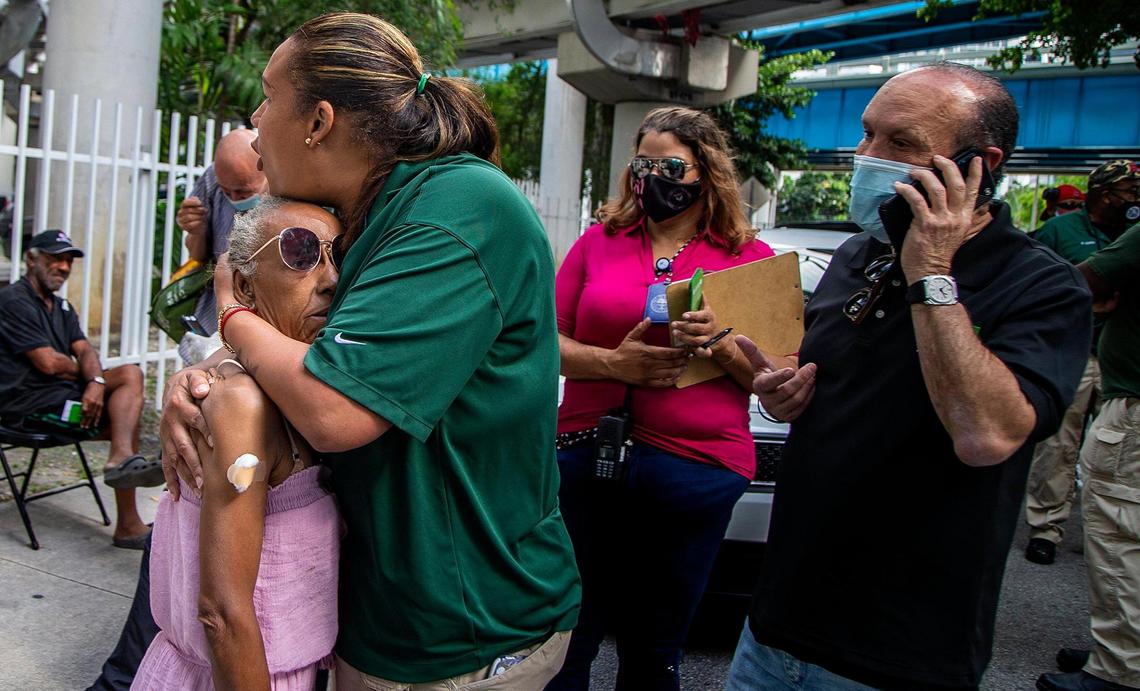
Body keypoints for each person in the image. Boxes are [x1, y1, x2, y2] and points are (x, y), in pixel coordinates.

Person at [160, 12, 580, 689]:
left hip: (462, 636)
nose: (257, 120)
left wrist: (232, 313)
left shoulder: (455, 208)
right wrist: (202, 377)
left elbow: (334, 406)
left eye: (268, 96)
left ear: (318, 121)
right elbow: (301, 344)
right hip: (378, 618)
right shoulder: (365, 214)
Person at [725, 62, 1092, 690]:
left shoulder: (1042, 286)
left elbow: (986, 436)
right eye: (868, 135)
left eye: (901, 144)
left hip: (896, 655)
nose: (868, 158)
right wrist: (785, 393)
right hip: (773, 628)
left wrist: (931, 268)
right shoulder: (858, 253)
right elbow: (840, 386)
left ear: (980, 164)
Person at [546, 106, 776, 689]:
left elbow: (775, 382)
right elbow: (539, 342)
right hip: (585, 458)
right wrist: (611, 364)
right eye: (643, 162)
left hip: (695, 470)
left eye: (672, 164)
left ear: (706, 173)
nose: (653, 177)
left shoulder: (747, 259)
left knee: (655, 646)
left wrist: (722, 347)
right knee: (566, 634)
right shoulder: (598, 243)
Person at [132, 198, 341, 690]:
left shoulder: (300, 386)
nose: (331, 277)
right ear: (244, 285)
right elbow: (222, 615)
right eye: (301, 252)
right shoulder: (241, 402)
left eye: (339, 254)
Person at [0, 230, 162, 549]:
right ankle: (126, 504)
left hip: (62, 400)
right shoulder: (13, 301)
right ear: (31, 259)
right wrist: (91, 381)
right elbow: (48, 363)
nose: (63, 267)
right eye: (54, 259)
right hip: (27, 410)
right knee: (123, 411)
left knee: (128, 383)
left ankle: (121, 463)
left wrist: (96, 381)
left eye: (67, 261)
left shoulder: (61, 307)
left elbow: (85, 350)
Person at [1037, 218, 1140, 691]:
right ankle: (1121, 649)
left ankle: (1121, 670)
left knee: (1122, 536)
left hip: (1134, 408)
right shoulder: (1065, 227)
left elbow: (1082, 282)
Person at [1023, 161, 1140, 565]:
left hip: (1116, 355)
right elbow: (1035, 282)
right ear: (1102, 194)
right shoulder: (1061, 231)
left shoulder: (1130, 235)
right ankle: (1046, 526)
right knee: (1059, 444)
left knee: (1115, 452)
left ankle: (1108, 529)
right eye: (1127, 190)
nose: (1134, 199)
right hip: (1074, 351)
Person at [175, 128, 267, 364]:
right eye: (227, 192)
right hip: (212, 317)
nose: (235, 199)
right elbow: (196, 256)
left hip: (263, 320)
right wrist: (196, 230)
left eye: (244, 191)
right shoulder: (211, 179)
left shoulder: (289, 180)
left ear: (266, 168)